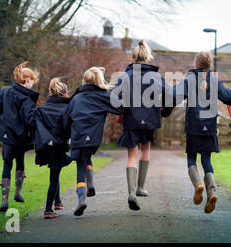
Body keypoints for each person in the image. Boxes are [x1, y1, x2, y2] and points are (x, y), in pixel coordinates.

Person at [162, 51, 231, 214]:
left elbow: (173, 95)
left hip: (193, 127)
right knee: (206, 160)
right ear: (209, 65)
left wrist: (164, 110)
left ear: (195, 64)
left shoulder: (189, 80)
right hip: (210, 128)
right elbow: (228, 97)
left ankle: (198, 185)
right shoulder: (215, 81)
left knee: (191, 158)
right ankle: (211, 191)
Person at [113, 40, 171, 211]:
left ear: (133, 59)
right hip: (150, 119)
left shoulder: (124, 76)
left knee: (132, 155)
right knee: (145, 150)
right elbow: (170, 94)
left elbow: (114, 99)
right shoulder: (155, 77)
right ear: (147, 59)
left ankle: (131, 193)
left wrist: (122, 108)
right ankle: (140, 188)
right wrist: (163, 110)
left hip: (131, 119)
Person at [63, 67, 124, 216]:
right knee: (86, 156)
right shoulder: (103, 96)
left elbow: (65, 120)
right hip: (94, 139)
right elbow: (120, 107)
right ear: (99, 81)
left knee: (80, 165)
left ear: (83, 82)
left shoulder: (76, 98)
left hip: (78, 137)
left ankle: (81, 199)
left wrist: (66, 135)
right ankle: (90, 184)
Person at [0, 62, 40, 212]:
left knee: (7, 163)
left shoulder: (4, 91)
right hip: (21, 137)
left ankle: (4, 200)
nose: (33, 83)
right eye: (32, 80)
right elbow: (29, 120)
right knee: (20, 160)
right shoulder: (26, 98)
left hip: (7, 135)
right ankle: (18, 192)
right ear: (27, 80)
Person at [34, 78, 72, 219]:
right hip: (59, 146)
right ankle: (48, 210)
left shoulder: (42, 109)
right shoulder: (67, 109)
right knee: (54, 177)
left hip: (46, 146)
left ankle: (58, 202)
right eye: (67, 93)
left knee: (55, 170)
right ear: (63, 94)